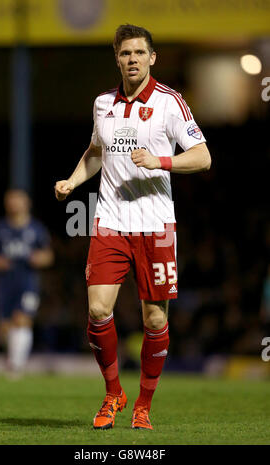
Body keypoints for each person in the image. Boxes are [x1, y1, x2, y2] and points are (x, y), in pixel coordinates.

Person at [55, 24, 211, 430]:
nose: (133, 60)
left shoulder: (169, 103)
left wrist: (161, 161)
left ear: (152, 57)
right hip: (110, 222)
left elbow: (203, 157)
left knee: (155, 321)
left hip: (156, 226)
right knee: (96, 309)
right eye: (125, 53)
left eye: (140, 53)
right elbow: (95, 152)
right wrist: (73, 181)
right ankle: (112, 394)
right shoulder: (102, 104)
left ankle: (143, 404)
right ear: (117, 58)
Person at [0, 189, 54, 375]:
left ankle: (15, 366)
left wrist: (40, 258)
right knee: (4, 328)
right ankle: (13, 355)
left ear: (26, 203)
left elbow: (49, 255)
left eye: (17, 200)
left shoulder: (36, 229)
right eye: (10, 200)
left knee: (23, 319)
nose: (13, 204)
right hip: (5, 282)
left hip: (28, 280)